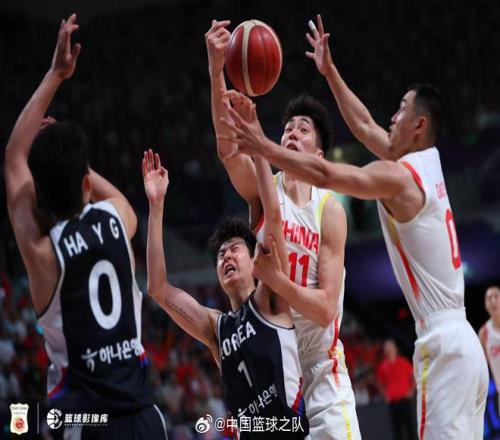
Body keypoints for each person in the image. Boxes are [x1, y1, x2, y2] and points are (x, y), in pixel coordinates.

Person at [220, 14, 489, 439]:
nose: (391, 118)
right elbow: (364, 127)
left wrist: (264, 145)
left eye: (401, 111)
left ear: (419, 126)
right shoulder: (424, 163)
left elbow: (327, 175)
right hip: (463, 344)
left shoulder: (399, 177)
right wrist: (330, 72)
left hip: (440, 342)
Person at [4, 15, 166, 439]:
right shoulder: (118, 219)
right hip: (144, 419)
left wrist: (54, 74)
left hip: (87, 424)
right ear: (86, 184)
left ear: (39, 195)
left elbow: (13, 157)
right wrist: (78, 163)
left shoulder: (44, 256)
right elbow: (107, 195)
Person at [206, 19, 361, 440]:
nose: (292, 132)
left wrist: (276, 281)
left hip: (320, 367)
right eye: (288, 128)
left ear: (319, 155)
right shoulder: (265, 190)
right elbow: (227, 149)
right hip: (275, 366)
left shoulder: (329, 211)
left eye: (303, 130)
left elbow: (325, 309)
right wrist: (216, 69)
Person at [143, 149, 308, 438]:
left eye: (234, 249)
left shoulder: (270, 297)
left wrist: (259, 149)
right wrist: (156, 205)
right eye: (220, 255)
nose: (226, 257)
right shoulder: (217, 329)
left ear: (254, 259)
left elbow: (272, 215)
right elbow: (158, 288)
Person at [376, 340, 417, 440]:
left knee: (411, 428)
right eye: (387, 348)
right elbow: (379, 383)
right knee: (397, 431)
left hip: (406, 400)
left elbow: (414, 376)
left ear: (395, 349)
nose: (388, 350)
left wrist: (412, 390)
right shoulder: (383, 366)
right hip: (393, 402)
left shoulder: (403, 362)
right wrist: (384, 395)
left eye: (390, 348)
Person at [479, 286, 500, 409]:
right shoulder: (484, 333)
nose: (493, 301)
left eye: (496, 296)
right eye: (489, 298)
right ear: (486, 304)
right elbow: (480, 367)